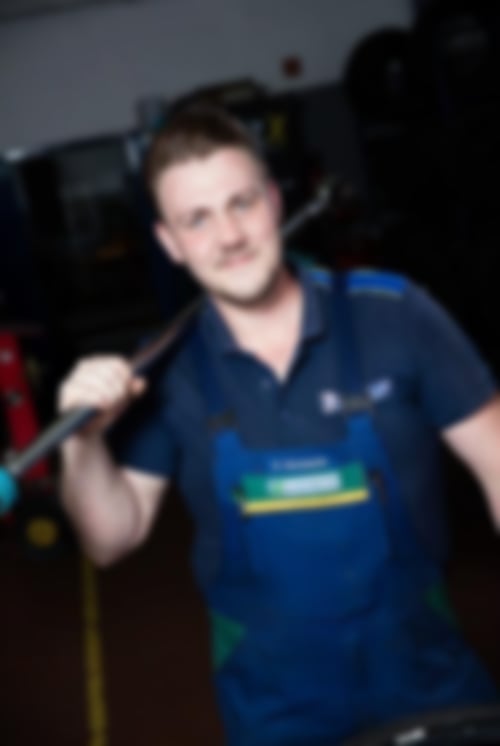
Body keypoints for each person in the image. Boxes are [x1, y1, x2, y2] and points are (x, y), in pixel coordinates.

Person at [58, 104, 500, 746]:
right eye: (197, 219)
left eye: (241, 203)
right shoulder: (164, 368)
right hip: (276, 710)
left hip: (427, 680)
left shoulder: (396, 315)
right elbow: (110, 540)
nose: (229, 236)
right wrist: (81, 442)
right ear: (170, 242)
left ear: (273, 200)